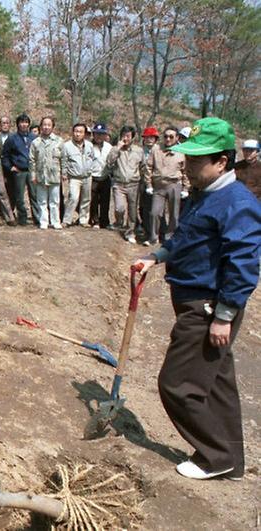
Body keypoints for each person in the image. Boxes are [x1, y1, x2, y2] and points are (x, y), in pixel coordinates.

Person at [133, 117, 261, 481]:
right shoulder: (203, 196)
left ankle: (214, 455)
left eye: (195, 160)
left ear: (221, 162)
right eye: (186, 159)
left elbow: (243, 263)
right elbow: (184, 240)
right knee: (218, 383)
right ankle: (230, 460)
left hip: (207, 308)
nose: (186, 167)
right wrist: (155, 257)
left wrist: (223, 314)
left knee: (177, 384)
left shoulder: (236, 202)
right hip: (193, 300)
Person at [144, 127, 188, 246]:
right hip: (158, 186)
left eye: (171, 136)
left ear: (177, 138)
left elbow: (186, 171)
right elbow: (148, 167)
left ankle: (170, 237)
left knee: (174, 214)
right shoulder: (156, 149)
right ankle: (153, 237)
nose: (168, 139)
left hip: (175, 185)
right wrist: (148, 184)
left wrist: (185, 188)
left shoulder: (182, 152)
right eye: (166, 136)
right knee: (154, 212)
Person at [107, 125, 146, 243]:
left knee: (132, 210)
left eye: (128, 136)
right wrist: (117, 148)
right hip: (119, 184)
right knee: (119, 208)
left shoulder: (138, 151)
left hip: (133, 184)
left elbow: (143, 166)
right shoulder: (116, 149)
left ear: (133, 137)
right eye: (123, 135)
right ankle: (119, 222)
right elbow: (109, 162)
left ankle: (130, 232)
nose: (125, 138)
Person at [1, 114, 37, 226]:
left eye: (26, 122)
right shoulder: (12, 138)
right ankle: (22, 218)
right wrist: (10, 167)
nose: (24, 124)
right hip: (19, 171)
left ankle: (37, 218)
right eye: (21, 122)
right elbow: (4, 155)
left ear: (28, 124)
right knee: (19, 197)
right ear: (17, 124)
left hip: (32, 171)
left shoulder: (34, 138)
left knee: (34, 195)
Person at [29, 116, 64, 230]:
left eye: (49, 125)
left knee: (55, 201)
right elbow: (32, 160)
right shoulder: (35, 142)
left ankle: (55, 221)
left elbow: (63, 159)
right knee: (42, 201)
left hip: (54, 176)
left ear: (53, 127)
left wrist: (64, 173)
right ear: (40, 126)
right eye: (44, 124)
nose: (46, 127)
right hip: (41, 176)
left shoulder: (59, 141)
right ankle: (43, 221)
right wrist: (33, 175)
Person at [61, 123, 95, 227]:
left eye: (80, 132)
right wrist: (64, 173)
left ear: (84, 134)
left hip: (87, 176)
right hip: (74, 177)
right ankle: (67, 220)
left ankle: (83, 220)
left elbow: (92, 158)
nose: (77, 134)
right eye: (76, 131)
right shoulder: (67, 146)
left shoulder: (89, 145)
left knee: (86, 199)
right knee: (73, 198)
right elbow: (64, 161)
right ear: (72, 132)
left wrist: (90, 169)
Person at [89, 123, 113, 229]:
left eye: (101, 134)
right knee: (93, 201)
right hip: (92, 177)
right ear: (93, 134)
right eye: (96, 134)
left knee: (105, 201)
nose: (98, 136)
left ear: (105, 135)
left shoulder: (109, 147)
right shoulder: (88, 146)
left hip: (105, 177)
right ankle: (95, 220)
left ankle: (104, 221)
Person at [139, 127, 160, 238]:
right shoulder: (140, 150)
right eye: (147, 137)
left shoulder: (160, 150)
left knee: (156, 208)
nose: (149, 140)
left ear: (156, 139)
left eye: (152, 137)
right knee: (143, 206)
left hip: (157, 182)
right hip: (142, 181)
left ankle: (157, 231)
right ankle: (146, 228)